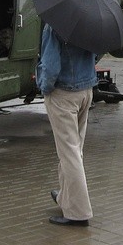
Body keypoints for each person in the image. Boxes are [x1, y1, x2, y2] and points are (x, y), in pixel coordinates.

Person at [36, 23, 98, 227]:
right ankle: (66, 197)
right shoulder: (89, 22)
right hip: (86, 90)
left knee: (69, 154)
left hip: (63, 94)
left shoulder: (55, 25)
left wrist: (44, 87)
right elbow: (98, 51)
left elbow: (51, 65)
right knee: (74, 150)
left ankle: (78, 213)